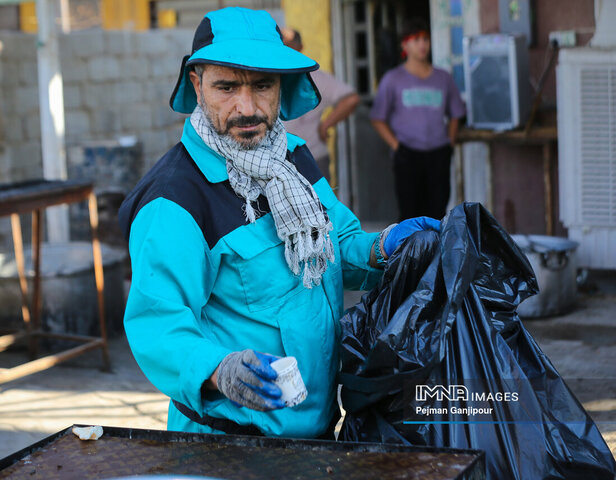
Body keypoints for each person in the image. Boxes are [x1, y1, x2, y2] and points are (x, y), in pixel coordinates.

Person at [118, 7, 440, 439]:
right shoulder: (176, 200)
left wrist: (383, 248)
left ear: (281, 87)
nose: (246, 108)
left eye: (262, 86)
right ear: (197, 84)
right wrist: (217, 369)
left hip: (318, 426)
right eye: (226, 87)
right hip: (233, 443)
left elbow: (335, 244)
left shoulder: (292, 155)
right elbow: (157, 322)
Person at [370, 18, 466, 221]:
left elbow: (456, 113)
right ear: (405, 45)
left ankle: (435, 253)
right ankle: (412, 253)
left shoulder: (443, 78)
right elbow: (378, 118)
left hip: (438, 154)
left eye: (425, 39)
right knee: (409, 215)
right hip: (407, 155)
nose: (422, 44)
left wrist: (449, 143)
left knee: (437, 213)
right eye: (416, 40)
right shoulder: (393, 79)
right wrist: (397, 146)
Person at [281, 28, 359, 184]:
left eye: (291, 44)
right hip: (280, 162)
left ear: (300, 47)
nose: (287, 49)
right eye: (284, 45)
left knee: (322, 207)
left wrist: (325, 125)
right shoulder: (270, 78)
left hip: (312, 158)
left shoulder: (315, 77)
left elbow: (351, 99)